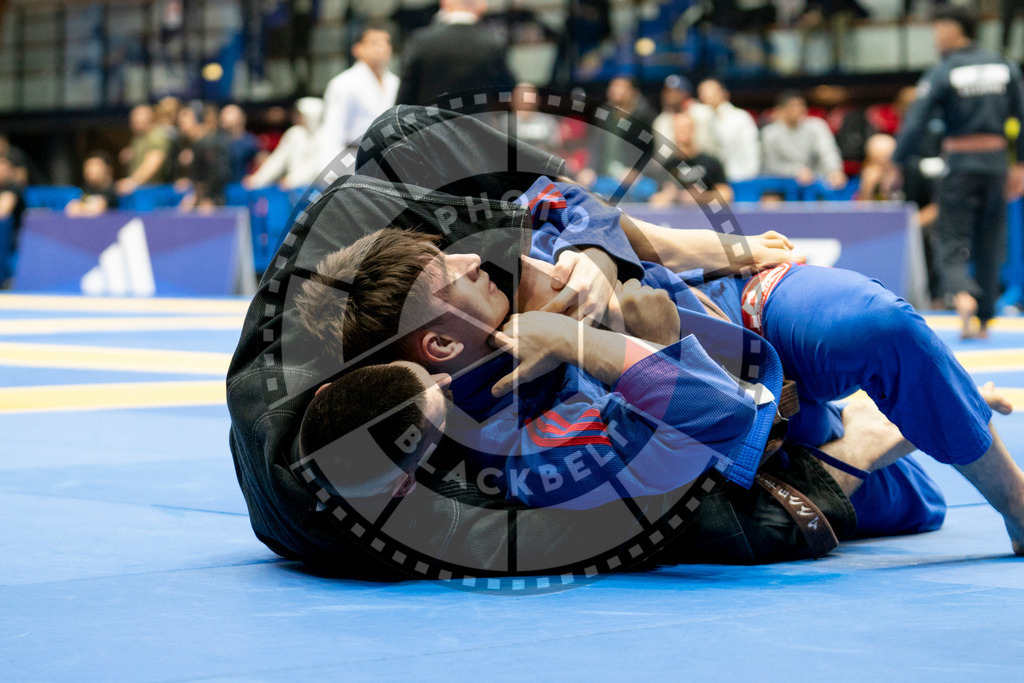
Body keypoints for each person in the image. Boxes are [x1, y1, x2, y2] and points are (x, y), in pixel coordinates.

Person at [891, 4, 1024, 340]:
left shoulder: (944, 70)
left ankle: (961, 293)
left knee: (951, 236)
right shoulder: (1003, 65)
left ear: (955, 29)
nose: (934, 38)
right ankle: (985, 315)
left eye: (938, 29)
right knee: (990, 239)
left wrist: (896, 161)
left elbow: (917, 120)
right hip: (996, 164)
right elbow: (1022, 115)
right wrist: (1020, 164)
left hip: (960, 164)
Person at [395, 0, 514, 107]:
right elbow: (506, 90)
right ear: (482, 6)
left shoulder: (421, 41)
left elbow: (406, 95)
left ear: (444, 3)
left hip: (429, 128)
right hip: (475, 128)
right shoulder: (493, 44)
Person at [319, 22, 399, 169]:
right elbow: (333, 132)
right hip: (354, 159)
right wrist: (331, 174)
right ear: (357, 49)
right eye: (374, 43)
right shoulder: (344, 83)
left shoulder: (395, 83)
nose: (382, 48)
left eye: (386, 43)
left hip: (389, 159)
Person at [761, 90, 847, 189]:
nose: (799, 110)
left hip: (815, 181)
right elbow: (771, 164)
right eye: (793, 106)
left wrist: (834, 170)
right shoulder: (770, 133)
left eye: (801, 106)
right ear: (781, 110)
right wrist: (796, 171)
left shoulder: (817, 126)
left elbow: (828, 151)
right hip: (781, 183)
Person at [649, 111, 733, 206]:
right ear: (673, 131)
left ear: (694, 129)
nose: (684, 131)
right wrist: (670, 195)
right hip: (676, 217)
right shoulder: (667, 165)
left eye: (688, 127)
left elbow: (726, 195)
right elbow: (655, 201)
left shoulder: (710, 162)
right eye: (679, 128)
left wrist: (702, 197)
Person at [688, 79, 760, 182]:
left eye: (709, 90)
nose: (705, 95)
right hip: (713, 179)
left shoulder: (741, 117)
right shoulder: (701, 117)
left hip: (739, 176)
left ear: (723, 93)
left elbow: (752, 150)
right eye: (701, 91)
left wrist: (750, 177)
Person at [245, 97, 324, 190]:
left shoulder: (325, 137)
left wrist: (293, 180)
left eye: (301, 115)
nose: (296, 118)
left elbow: (316, 165)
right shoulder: (294, 134)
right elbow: (278, 159)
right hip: (295, 191)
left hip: (318, 190)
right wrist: (257, 180)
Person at [177, 103, 231, 210]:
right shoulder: (193, 144)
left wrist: (205, 197)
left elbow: (218, 173)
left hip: (218, 200)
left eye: (185, 121)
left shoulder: (210, 143)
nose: (181, 125)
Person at [116, 104, 174, 195]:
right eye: (132, 118)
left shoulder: (157, 135)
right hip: (142, 191)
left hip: (155, 192)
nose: (133, 121)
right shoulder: (138, 139)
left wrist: (132, 182)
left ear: (150, 117)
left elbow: (154, 161)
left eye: (138, 117)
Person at [220, 104, 264, 185]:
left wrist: (255, 178)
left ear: (241, 118)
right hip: (220, 188)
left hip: (240, 188)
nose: (224, 116)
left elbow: (264, 162)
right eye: (223, 113)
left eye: (229, 113)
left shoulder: (250, 141)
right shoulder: (218, 141)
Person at [66, 152, 119, 216]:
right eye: (87, 166)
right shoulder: (86, 189)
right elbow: (73, 208)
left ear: (108, 169)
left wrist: (83, 207)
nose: (89, 170)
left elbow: (99, 207)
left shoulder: (116, 189)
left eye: (96, 165)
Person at [0, 154, 26, 285]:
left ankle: (3, 279)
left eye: (4, 167)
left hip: (17, 234)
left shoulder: (13, 186)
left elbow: (3, 211)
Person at [652, 74, 694, 143]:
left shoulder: (699, 113)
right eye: (667, 91)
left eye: (675, 91)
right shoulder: (661, 121)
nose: (670, 95)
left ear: (686, 93)